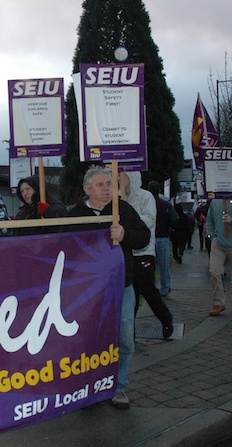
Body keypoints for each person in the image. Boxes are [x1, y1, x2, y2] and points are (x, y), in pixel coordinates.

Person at [63, 166, 150, 409]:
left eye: (109, 185)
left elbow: (144, 236)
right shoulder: (74, 216)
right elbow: (63, 249)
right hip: (88, 293)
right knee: (89, 342)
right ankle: (90, 388)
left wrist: (125, 234)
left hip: (122, 286)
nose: (106, 190)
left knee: (124, 340)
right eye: (100, 185)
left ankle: (119, 387)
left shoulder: (122, 209)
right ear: (87, 189)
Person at [121, 172, 173, 340]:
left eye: (122, 176)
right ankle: (130, 332)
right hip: (125, 253)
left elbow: (150, 220)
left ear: (131, 177)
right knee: (130, 294)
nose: (119, 179)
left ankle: (166, 319)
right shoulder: (117, 198)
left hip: (144, 252)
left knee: (148, 290)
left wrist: (128, 222)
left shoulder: (146, 196)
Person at [206, 198, 232, 317]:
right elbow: (209, 220)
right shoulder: (215, 202)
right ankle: (218, 302)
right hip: (218, 243)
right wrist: (212, 236)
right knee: (214, 272)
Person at [147, 181, 178, 297]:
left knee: (149, 266)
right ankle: (165, 287)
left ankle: (151, 289)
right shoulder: (165, 204)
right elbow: (175, 218)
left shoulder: (146, 204)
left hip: (149, 238)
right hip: (163, 237)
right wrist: (168, 227)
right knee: (163, 265)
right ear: (159, 190)